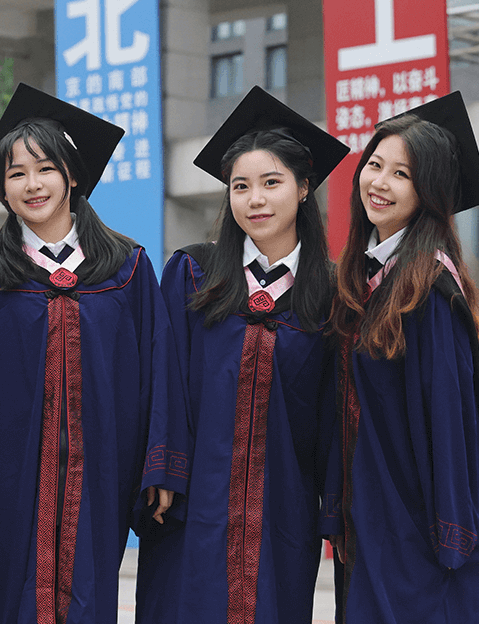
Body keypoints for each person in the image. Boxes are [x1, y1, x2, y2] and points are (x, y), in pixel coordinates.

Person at [0, 84, 189, 624]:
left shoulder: (127, 269)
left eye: (45, 169)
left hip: (101, 477)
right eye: (16, 174)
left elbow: (159, 371)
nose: (32, 184)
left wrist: (160, 464)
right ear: (2, 189)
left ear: (73, 176)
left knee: (88, 594)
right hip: (8, 482)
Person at [137, 86, 347, 624]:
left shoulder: (330, 295)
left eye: (271, 183)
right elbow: (164, 377)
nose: (255, 200)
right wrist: (163, 468)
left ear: (304, 187)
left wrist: (335, 505)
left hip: (283, 506)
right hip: (193, 501)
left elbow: (336, 412)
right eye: (240, 186)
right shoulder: (194, 274)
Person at [326, 92, 479, 624]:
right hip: (375, 514)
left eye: (401, 174)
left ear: (429, 193)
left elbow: (449, 421)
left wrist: (451, 536)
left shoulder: (429, 290)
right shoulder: (371, 278)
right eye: (374, 165)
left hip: (417, 528)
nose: (379, 182)